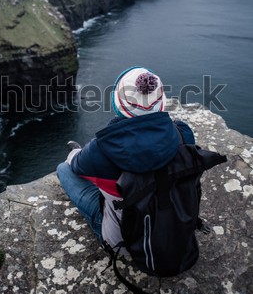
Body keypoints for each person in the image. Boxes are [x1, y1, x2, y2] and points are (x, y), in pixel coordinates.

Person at [56, 66, 195, 251]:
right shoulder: (182, 133)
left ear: (117, 105)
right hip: (176, 223)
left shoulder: (102, 149)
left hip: (125, 241)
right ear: (161, 103)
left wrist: (75, 154)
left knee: (64, 169)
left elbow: (78, 166)